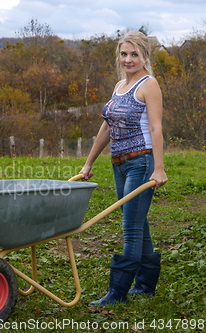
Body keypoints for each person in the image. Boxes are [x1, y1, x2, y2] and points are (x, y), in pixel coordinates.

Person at [79, 30, 168, 306]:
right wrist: (89, 162)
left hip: (141, 163)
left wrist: (159, 167)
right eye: (124, 54)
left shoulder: (149, 85)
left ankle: (116, 294)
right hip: (119, 164)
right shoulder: (119, 85)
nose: (128, 59)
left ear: (144, 57)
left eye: (134, 54)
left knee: (130, 228)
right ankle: (145, 286)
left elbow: (155, 127)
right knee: (138, 224)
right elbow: (107, 126)